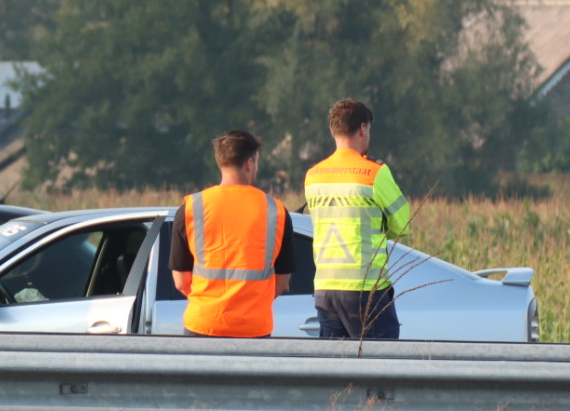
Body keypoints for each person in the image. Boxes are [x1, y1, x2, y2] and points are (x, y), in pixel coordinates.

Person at [169, 130, 295, 338]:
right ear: (249, 164)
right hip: (254, 328)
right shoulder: (276, 211)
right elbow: (282, 282)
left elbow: (181, 281)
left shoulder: (192, 208)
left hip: (203, 324)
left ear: (221, 162)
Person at [304, 98, 411, 339]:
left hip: (325, 288)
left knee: (334, 368)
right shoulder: (374, 172)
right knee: (380, 367)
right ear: (362, 128)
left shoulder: (313, 176)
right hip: (365, 288)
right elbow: (403, 223)